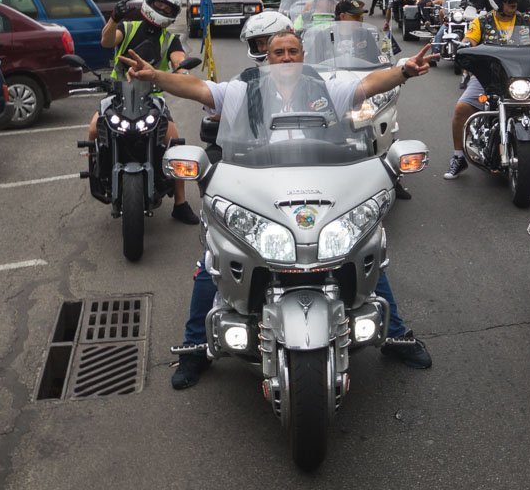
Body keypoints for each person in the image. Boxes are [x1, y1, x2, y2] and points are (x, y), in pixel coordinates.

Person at [120, 32, 437, 388]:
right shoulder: (243, 90)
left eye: (292, 51)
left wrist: (403, 71)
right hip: (256, 182)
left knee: (363, 249)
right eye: (278, 52)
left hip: (323, 178)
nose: (286, 58)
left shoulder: (325, 87)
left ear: (302, 55)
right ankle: (196, 345)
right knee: (213, 257)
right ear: (267, 58)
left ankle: (394, 335)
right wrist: (156, 76)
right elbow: (197, 88)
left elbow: (367, 84)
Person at [88, 0, 198, 225]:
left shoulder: (170, 40)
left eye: (167, 8)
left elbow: (179, 61)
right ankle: (97, 173)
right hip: (118, 94)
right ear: (149, 2)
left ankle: (180, 203)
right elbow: (107, 41)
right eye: (158, 5)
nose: (161, 10)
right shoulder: (127, 27)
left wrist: (183, 71)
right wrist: (114, 18)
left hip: (152, 98)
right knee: (94, 128)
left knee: (175, 140)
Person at [443, 0, 530, 179]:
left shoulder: (527, 21)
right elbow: (469, 38)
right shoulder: (482, 21)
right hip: (489, 76)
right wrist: (466, 44)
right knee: (461, 109)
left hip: (522, 76)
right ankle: (458, 156)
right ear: (496, 0)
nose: (513, 2)